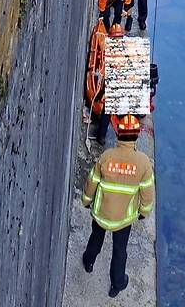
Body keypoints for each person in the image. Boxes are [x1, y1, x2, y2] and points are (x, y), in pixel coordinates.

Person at [81, 113, 155, 298]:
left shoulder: (106, 156)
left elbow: (92, 182)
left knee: (96, 239)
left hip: (101, 212)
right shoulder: (143, 163)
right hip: (124, 218)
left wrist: (86, 201)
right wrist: (143, 212)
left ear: (118, 133)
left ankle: (89, 262)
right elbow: (147, 193)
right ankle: (117, 284)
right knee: (120, 250)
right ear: (137, 135)